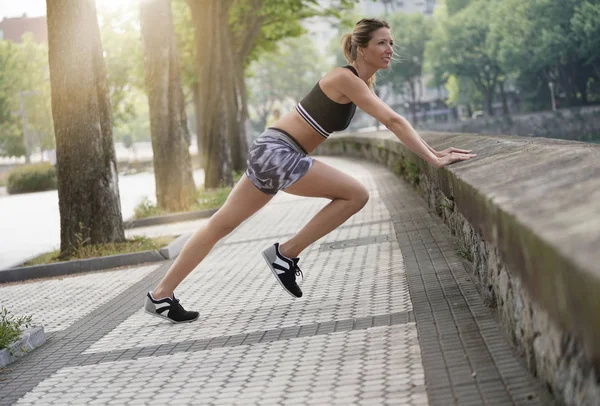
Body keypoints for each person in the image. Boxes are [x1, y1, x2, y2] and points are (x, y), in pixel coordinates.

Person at [144, 18, 476, 323]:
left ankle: (160, 296)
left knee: (219, 225)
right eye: (382, 43)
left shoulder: (358, 81)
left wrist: (434, 151)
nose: (390, 49)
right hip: (280, 151)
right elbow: (392, 120)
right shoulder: (344, 78)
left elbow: (392, 120)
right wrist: (433, 158)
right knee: (356, 194)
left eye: (391, 43)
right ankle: (284, 254)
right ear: (362, 49)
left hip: (270, 149)